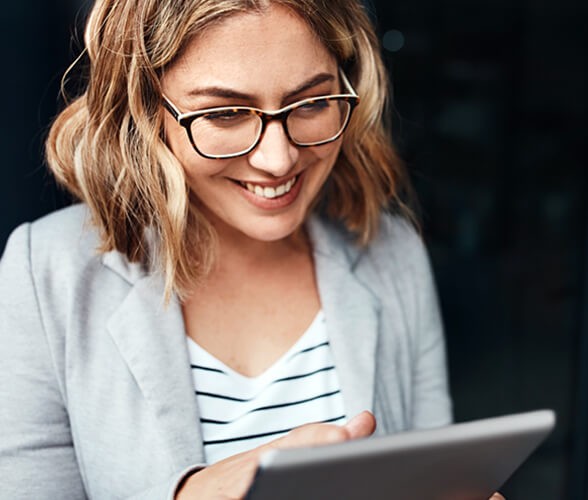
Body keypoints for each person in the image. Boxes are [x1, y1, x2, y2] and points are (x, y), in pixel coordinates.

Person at [0, 0, 514, 498]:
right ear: (146, 109)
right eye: (225, 114)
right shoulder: (43, 275)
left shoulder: (392, 252)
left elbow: (426, 474)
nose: (278, 158)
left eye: (311, 102)